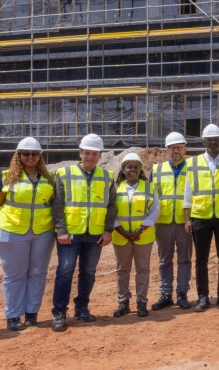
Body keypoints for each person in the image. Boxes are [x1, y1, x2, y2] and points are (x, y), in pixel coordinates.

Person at [0, 137, 56, 331]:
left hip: (43, 232)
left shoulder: (50, 178)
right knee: (14, 275)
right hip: (12, 232)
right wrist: (0, 223)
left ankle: (32, 313)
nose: (30, 157)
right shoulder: (7, 177)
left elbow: (53, 204)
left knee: (38, 273)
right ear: (19, 156)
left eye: (34, 153)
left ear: (40, 156)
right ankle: (14, 315)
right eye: (26, 153)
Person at [50, 133, 116, 331]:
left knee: (88, 272)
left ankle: (82, 309)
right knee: (65, 270)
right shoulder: (64, 174)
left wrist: (108, 230)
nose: (90, 157)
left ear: (100, 156)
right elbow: (57, 204)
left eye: (94, 154)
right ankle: (59, 312)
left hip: (95, 234)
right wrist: (61, 230)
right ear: (80, 153)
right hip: (70, 233)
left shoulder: (107, 177)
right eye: (87, 153)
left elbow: (112, 205)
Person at [184, 123, 219, 311]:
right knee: (201, 259)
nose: (213, 142)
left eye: (216, 139)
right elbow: (188, 192)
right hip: (201, 216)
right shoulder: (192, 163)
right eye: (210, 140)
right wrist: (187, 219)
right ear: (204, 141)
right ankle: (203, 297)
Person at [111, 152, 160, 318]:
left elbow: (155, 211)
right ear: (123, 169)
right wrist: (122, 231)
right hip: (121, 236)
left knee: (143, 269)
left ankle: (141, 302)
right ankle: (123, 302)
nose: (132, 169)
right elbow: (110, 212)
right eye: (129, 167)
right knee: (122, 270)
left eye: (136, 167)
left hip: (143, 237)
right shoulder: (115, 188)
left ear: (140, 169)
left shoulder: (148, 187)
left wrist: (139, 230)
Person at [150, 132, 192, 310]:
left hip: (185, 222)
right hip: (163, 222)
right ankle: (166, 294)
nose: (176, 150)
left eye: (179, 147)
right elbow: (151, 197)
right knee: (164, 260)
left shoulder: (192, 168)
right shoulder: (157, 170)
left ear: (185, 148)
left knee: (184, 259)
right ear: (166, 150)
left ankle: (182, 293)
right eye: (172, 147)